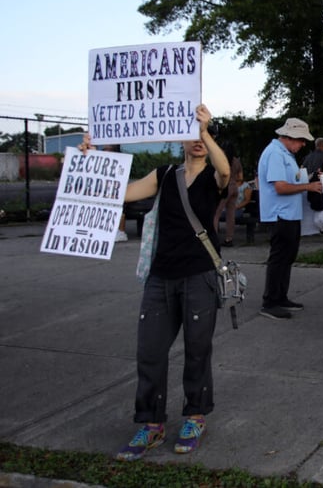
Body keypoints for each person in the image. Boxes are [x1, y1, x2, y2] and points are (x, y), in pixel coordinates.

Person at [81, 104, 231, 461]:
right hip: (160, 278)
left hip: (199, 276)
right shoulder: (164, 174)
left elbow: (225, 170)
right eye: (190, 134)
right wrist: (88, 160)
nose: (196, 141)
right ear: (178, 137)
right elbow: (122, 192)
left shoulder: (214, 177)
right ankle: (150, 424)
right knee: (149, 352)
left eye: (202, 136)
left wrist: (206, 130)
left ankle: (195, 417)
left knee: (197, 351)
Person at [257, 118, 323, 320]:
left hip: (288, 214)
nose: (303, 144)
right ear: (289, 137)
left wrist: (308, 178)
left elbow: (289, 181)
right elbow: (280, 187)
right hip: (280, 214)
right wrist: (308, 187)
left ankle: (280, 297)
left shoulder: (283, 153)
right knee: (279, 258)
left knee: (286, 257)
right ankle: (270, 301)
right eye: (301, 140)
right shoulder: (276, 154)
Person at [214, 146, 243, 247]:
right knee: (231, 214)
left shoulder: (221, 159)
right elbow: (241, 177)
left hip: (225, 187)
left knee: (216, 213)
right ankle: (229, 238)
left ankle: (214, 237)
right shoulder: (237, 161)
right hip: (234, 187)